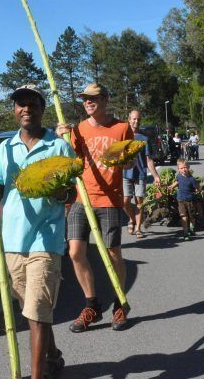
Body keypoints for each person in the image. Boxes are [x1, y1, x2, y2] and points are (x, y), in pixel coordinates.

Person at [0, 84, 74, 379]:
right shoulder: (4, 149)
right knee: (32, 311)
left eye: (33, 104)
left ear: (42, 109)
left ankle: (37, 375)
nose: (26, 109)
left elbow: (71, 194)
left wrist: (60, 192)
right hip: (13, 240)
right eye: (21, 104)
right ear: (15, 110)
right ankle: (52, 355)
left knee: (36, 312)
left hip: (47, 237)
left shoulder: (58, 147)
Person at [57, 82, 134, 332]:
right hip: (82, 199)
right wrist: (61, 139)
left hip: (109, 200)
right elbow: (69, 161)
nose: (88, 102)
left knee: (113, 255)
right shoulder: (78, 130)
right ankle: (92, 305)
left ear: (105, 99)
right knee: (75, 252)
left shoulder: (122, 128)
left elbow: (130, 164)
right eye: (85, 99)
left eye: (93, 98)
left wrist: (124, 160)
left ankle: (120, 304)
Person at [123, 110, 162, 238]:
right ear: (129, 120)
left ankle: (138, 229)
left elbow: (149, 160)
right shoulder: (123, 136)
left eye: (138, 119)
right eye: (134, 119)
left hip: (140, 174)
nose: (136, 121)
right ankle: (132, 218)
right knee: (125, 202)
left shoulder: (144, 139)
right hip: (125, 174)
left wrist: (155, 176)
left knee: (139, 202)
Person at [167, 158, 200, 241]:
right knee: (183, 216)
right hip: (181, 200)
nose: (183, 169)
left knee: (192, 216)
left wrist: (198, 190)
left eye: (185, 167)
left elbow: (198, 188)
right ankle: (185, 233)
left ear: (188, 167)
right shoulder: (178, 176)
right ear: (178, 169)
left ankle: (192, 227)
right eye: (181, 168)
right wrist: (172, 186)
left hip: (190, 200)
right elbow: (177, 182)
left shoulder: (192, 179)